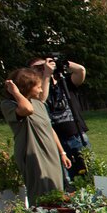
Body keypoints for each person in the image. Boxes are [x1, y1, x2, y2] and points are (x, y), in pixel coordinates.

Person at [0, 68, 72, 205]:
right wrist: (15, 92)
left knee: (57, 190)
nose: (40, 90)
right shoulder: (9, 105)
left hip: (51, 153)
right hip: (34, 154)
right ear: (26, 87)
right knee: (41, 193)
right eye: (37, 87)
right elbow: (27, 110)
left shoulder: (39, 104)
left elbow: (49, 128)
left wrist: (62, 152)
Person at [28, 56, 89, 184]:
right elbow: (41, 100)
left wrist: (62, 63)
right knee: (67, 178)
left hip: (76, 134)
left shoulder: (65, 82)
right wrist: (46, 75)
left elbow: (80, 71)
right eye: (38, 68)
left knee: (89, 172)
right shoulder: (35, 90)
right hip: (55, 140)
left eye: (43, 66)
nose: (42, 69)